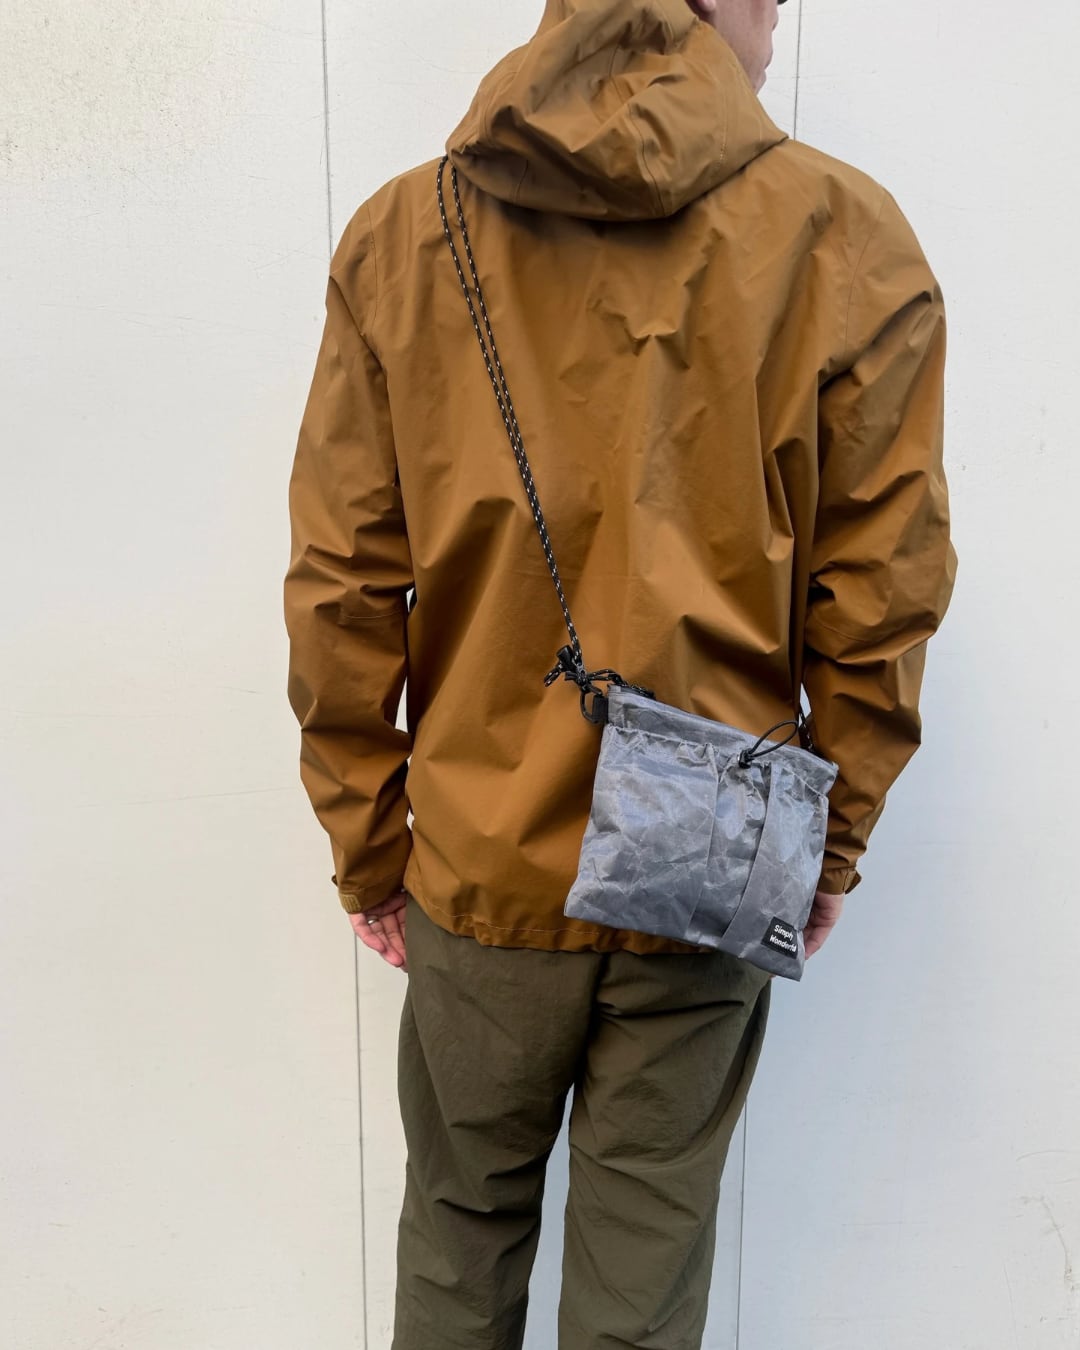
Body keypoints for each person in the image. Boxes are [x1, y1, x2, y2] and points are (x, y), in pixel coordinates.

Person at [283, 0, 957, 1344]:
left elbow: (342, 582)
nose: (780, 18)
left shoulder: (407, 235)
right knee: (643, 1283)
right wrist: (827, 843)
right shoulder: (848, 238)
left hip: (479, 858)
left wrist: (370, 844)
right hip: (712, 861)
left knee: (458, 1235)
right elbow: (883, 595)